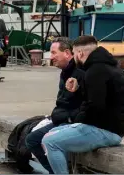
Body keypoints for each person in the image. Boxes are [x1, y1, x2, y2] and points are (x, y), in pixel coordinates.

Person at [42, 35, 124, 174]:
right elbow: (99, 98)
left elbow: (95, 106)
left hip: (106, 131)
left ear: (80, 53)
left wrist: (77, 121)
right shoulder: (106, 67)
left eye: (74, 53)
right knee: (52, 133)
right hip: (107, 128)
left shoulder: (95, 72)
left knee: (50, 141)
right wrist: (79, 88)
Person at [24, 37, 84, 173]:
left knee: (49, 140)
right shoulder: (65, 72)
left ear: (67, 53)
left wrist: (69, 118)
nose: (51, 57)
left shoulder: (79, 73)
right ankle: (55, 171)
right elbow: (62, 101)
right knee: (31, 139)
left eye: (53, 53)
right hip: (61, 118)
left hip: (72, 121)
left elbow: (85, 103)